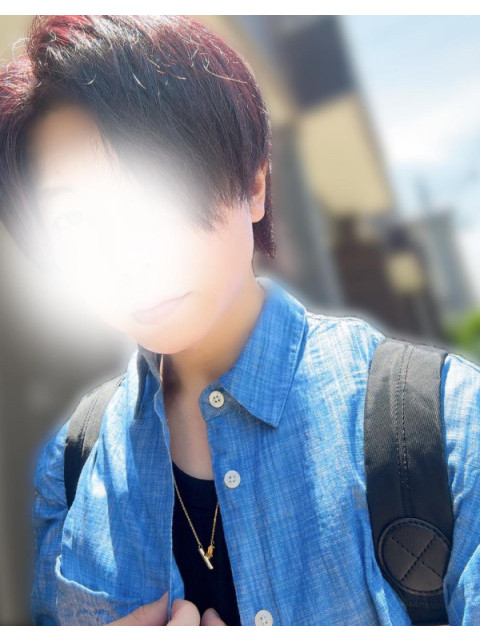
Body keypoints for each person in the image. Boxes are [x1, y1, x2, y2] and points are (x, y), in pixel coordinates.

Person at [0, 15, 479, 626]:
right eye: (74, 221)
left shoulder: (441, 422)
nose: (125, 256)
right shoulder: (69, 468)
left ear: (254, 184)